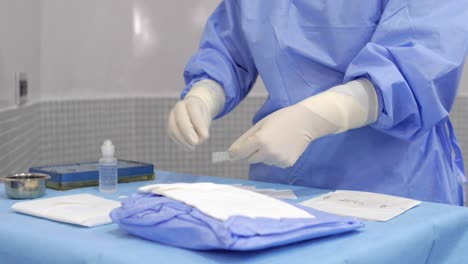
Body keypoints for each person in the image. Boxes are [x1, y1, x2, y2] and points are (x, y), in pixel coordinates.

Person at [167, 0, 468, 205]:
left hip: (391, 185)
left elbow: (418, 60)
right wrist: (205, 93)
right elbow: (229, 47)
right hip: (284, 184)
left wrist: (315, 117)